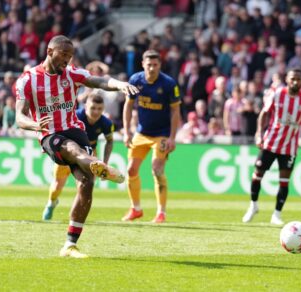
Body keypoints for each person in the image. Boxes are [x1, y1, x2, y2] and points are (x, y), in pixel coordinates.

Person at [15, 35, 138, 258]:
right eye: (63, 55)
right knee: (72, 149)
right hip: (49, 134)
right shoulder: (28, 79)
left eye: (70, 56)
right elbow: (19, 117)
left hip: (74, 129)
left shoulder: (72, 74)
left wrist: (120, 85)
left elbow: (99, 81)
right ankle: (100, 166)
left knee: (86, 184)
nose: (67, 60)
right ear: (50, 51)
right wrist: (35, 125)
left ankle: (70, 245)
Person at [242, 69, 301, 225]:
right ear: (287, 80)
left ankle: (277, 214)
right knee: (257, 174)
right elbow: (263, 113)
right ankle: (253, 205)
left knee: (284, 181)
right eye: (293, 78)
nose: (296, 82)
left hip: (290, 147)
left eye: (299, 79)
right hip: (270, 143)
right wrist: (259, 134)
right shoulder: (277, 94)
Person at [122, 49, 181, 223]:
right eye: (149, 65)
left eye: (155, 65)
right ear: (143, 64)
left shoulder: (169, 84)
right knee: (131, 169)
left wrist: (172, 137)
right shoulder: (135, 80)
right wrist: (127, 131)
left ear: (160, 65)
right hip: (141, 132)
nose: (152, 68)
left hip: (161, 134)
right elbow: (128, 105)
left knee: (157, 169)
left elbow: (175, 110)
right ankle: (136, 209)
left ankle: (161, 212)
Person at [42, 92, 114, 221]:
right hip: (68, 153)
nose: (96, 112)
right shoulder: (74, 116)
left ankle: (75, 216)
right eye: (93, 108)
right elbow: (58, 129)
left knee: (85, 185)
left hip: (88, 155)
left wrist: (105, 162)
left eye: (99, 109)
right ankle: (51, 203)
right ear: (86, 106)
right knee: (57, 186)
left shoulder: (106, 123)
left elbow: (110, 141)